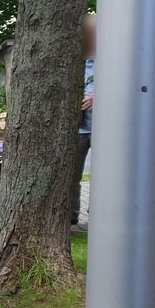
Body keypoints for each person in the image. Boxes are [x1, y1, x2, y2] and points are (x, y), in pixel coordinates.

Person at [71, 15, 97, 226]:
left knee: (103, 176)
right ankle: (71, 215)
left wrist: (98, 97)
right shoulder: (74, 62)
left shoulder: (111, 60)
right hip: (79, 128)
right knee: (72, 176)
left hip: (102, 128)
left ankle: (98, 214)